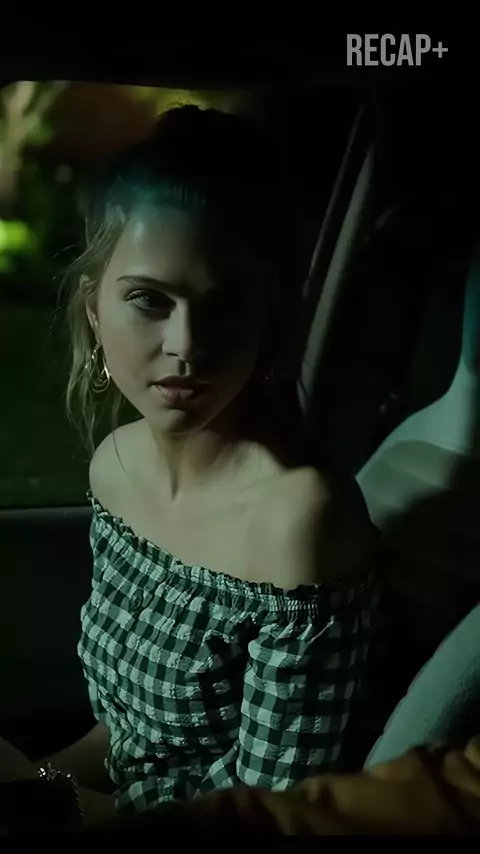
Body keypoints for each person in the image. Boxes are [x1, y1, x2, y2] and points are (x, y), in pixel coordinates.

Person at [0, 105, 381, 829]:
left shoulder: (300, 519)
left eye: (224, 305)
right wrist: (34, 782)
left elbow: (263, 815)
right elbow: (127, 738)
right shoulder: (116, 469)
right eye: (149, 300)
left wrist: (48, 801)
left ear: (265, 320)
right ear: (93, 308)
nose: (186, 344)